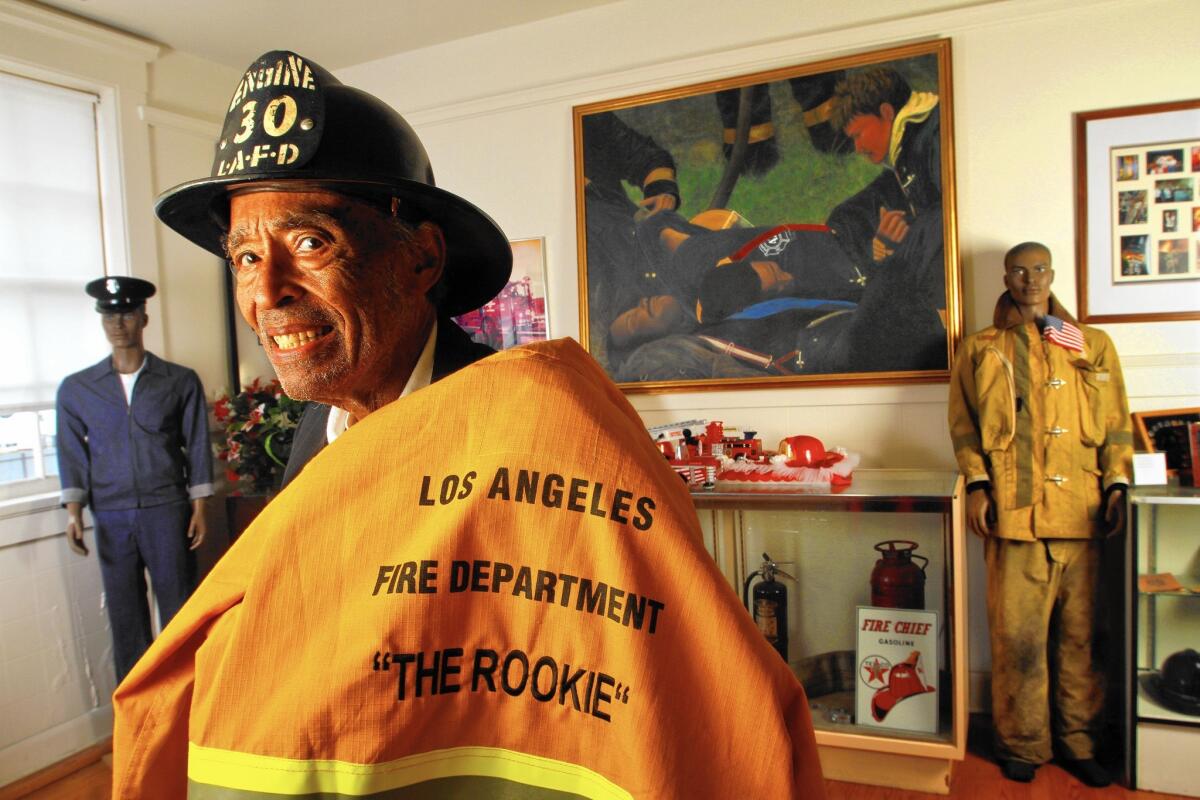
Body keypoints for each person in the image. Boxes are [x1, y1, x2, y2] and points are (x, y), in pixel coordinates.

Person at [112, 50, 825, 799]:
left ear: (420, 257)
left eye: (311, 244)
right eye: (245, 256)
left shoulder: (545, 431)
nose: (267, 293)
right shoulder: (313, 436)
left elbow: (678, 675)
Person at [948, 242, 1132, 787]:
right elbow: (963, 425)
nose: (1030, 279)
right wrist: (978, 484)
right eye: (1020, 270)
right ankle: (1022, 742)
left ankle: (1079, 740)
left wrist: (1118, 484)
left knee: (1082, 638)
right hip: (1015, 514)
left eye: (1040, 269)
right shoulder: (982, 348)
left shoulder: (1091, 346)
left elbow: (1118, 422)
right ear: (1005, 276)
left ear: (1054, 275)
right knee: (1017, 638)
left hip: (1084, 513)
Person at [55, 276, 213, 683]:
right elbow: (72, 453)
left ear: (143, 317)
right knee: (125, 614)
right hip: (110, 514)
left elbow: (195, 443)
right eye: (109, 315)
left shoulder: (179, 381)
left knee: (180, 607)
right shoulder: (77, 389)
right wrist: (74, 513)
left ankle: (186, 700)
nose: (117, 324)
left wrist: (200, 505)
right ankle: (137, 708)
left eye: (126, 314)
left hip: (167, 509)